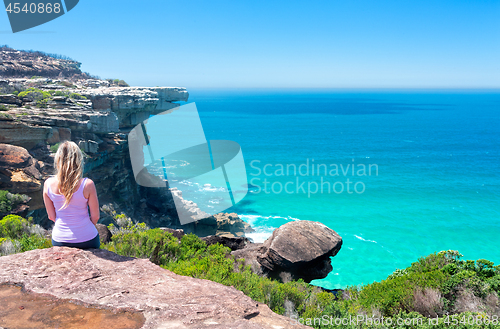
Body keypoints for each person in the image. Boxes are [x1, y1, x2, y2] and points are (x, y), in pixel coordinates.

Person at [43, 141, 100, 249]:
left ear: (58, 160)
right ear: (78, 160)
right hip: (87, 239)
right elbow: (95, 217)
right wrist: (83, 230)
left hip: (60, 239)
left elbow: (51, 216)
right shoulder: (87, 184)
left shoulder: (48, 184)